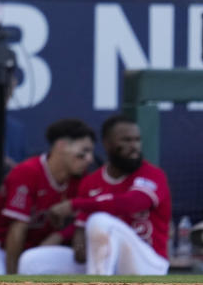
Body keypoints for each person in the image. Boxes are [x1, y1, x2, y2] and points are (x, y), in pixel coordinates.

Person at [21, 116, 171, 276]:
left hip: (147, 262)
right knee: (32, 261)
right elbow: (81, 227)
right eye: (126, 140)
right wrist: (79, 248)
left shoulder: (152, 174)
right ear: (107, 144)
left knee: (101, 221)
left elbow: (131, 203)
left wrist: (74, 204)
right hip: (103, 261)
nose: (134, 146)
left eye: (137, 140)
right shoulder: (91, 181)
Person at [0, 119, 95, 276]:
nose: (89, 159)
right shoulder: (28, 172)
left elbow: (89, 217)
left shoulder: (80, 179)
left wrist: (59, 235)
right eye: (84, 151)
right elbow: (16, 231)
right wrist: (12, 280)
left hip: (33, 250)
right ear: (61, 145)